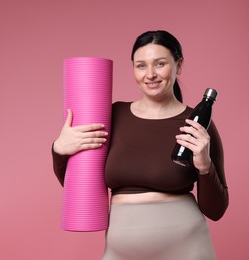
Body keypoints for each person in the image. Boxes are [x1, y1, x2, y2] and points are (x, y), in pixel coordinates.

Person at [52, 30, 229, 259]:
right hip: (121, 250)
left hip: (188, 247)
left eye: (160, 64)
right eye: (141, 66)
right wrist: (59, 149)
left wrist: (205, 166)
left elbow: (216, 210)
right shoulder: (112, 115)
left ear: (179, 65)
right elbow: (79, 188)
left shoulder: (197, 125)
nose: (151, 74)